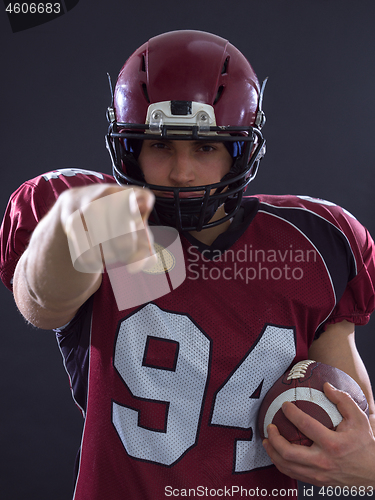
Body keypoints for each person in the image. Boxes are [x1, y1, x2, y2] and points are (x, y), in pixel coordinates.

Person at [1, 30, 375, 499]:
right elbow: (41, 303)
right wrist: (66, 231)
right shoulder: (117, 228)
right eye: (160, 146)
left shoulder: (310, 243)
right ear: (131, 148)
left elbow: (351, 421)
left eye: (204, 148)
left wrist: (368, 470)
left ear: (241, 149)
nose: (182, 172)